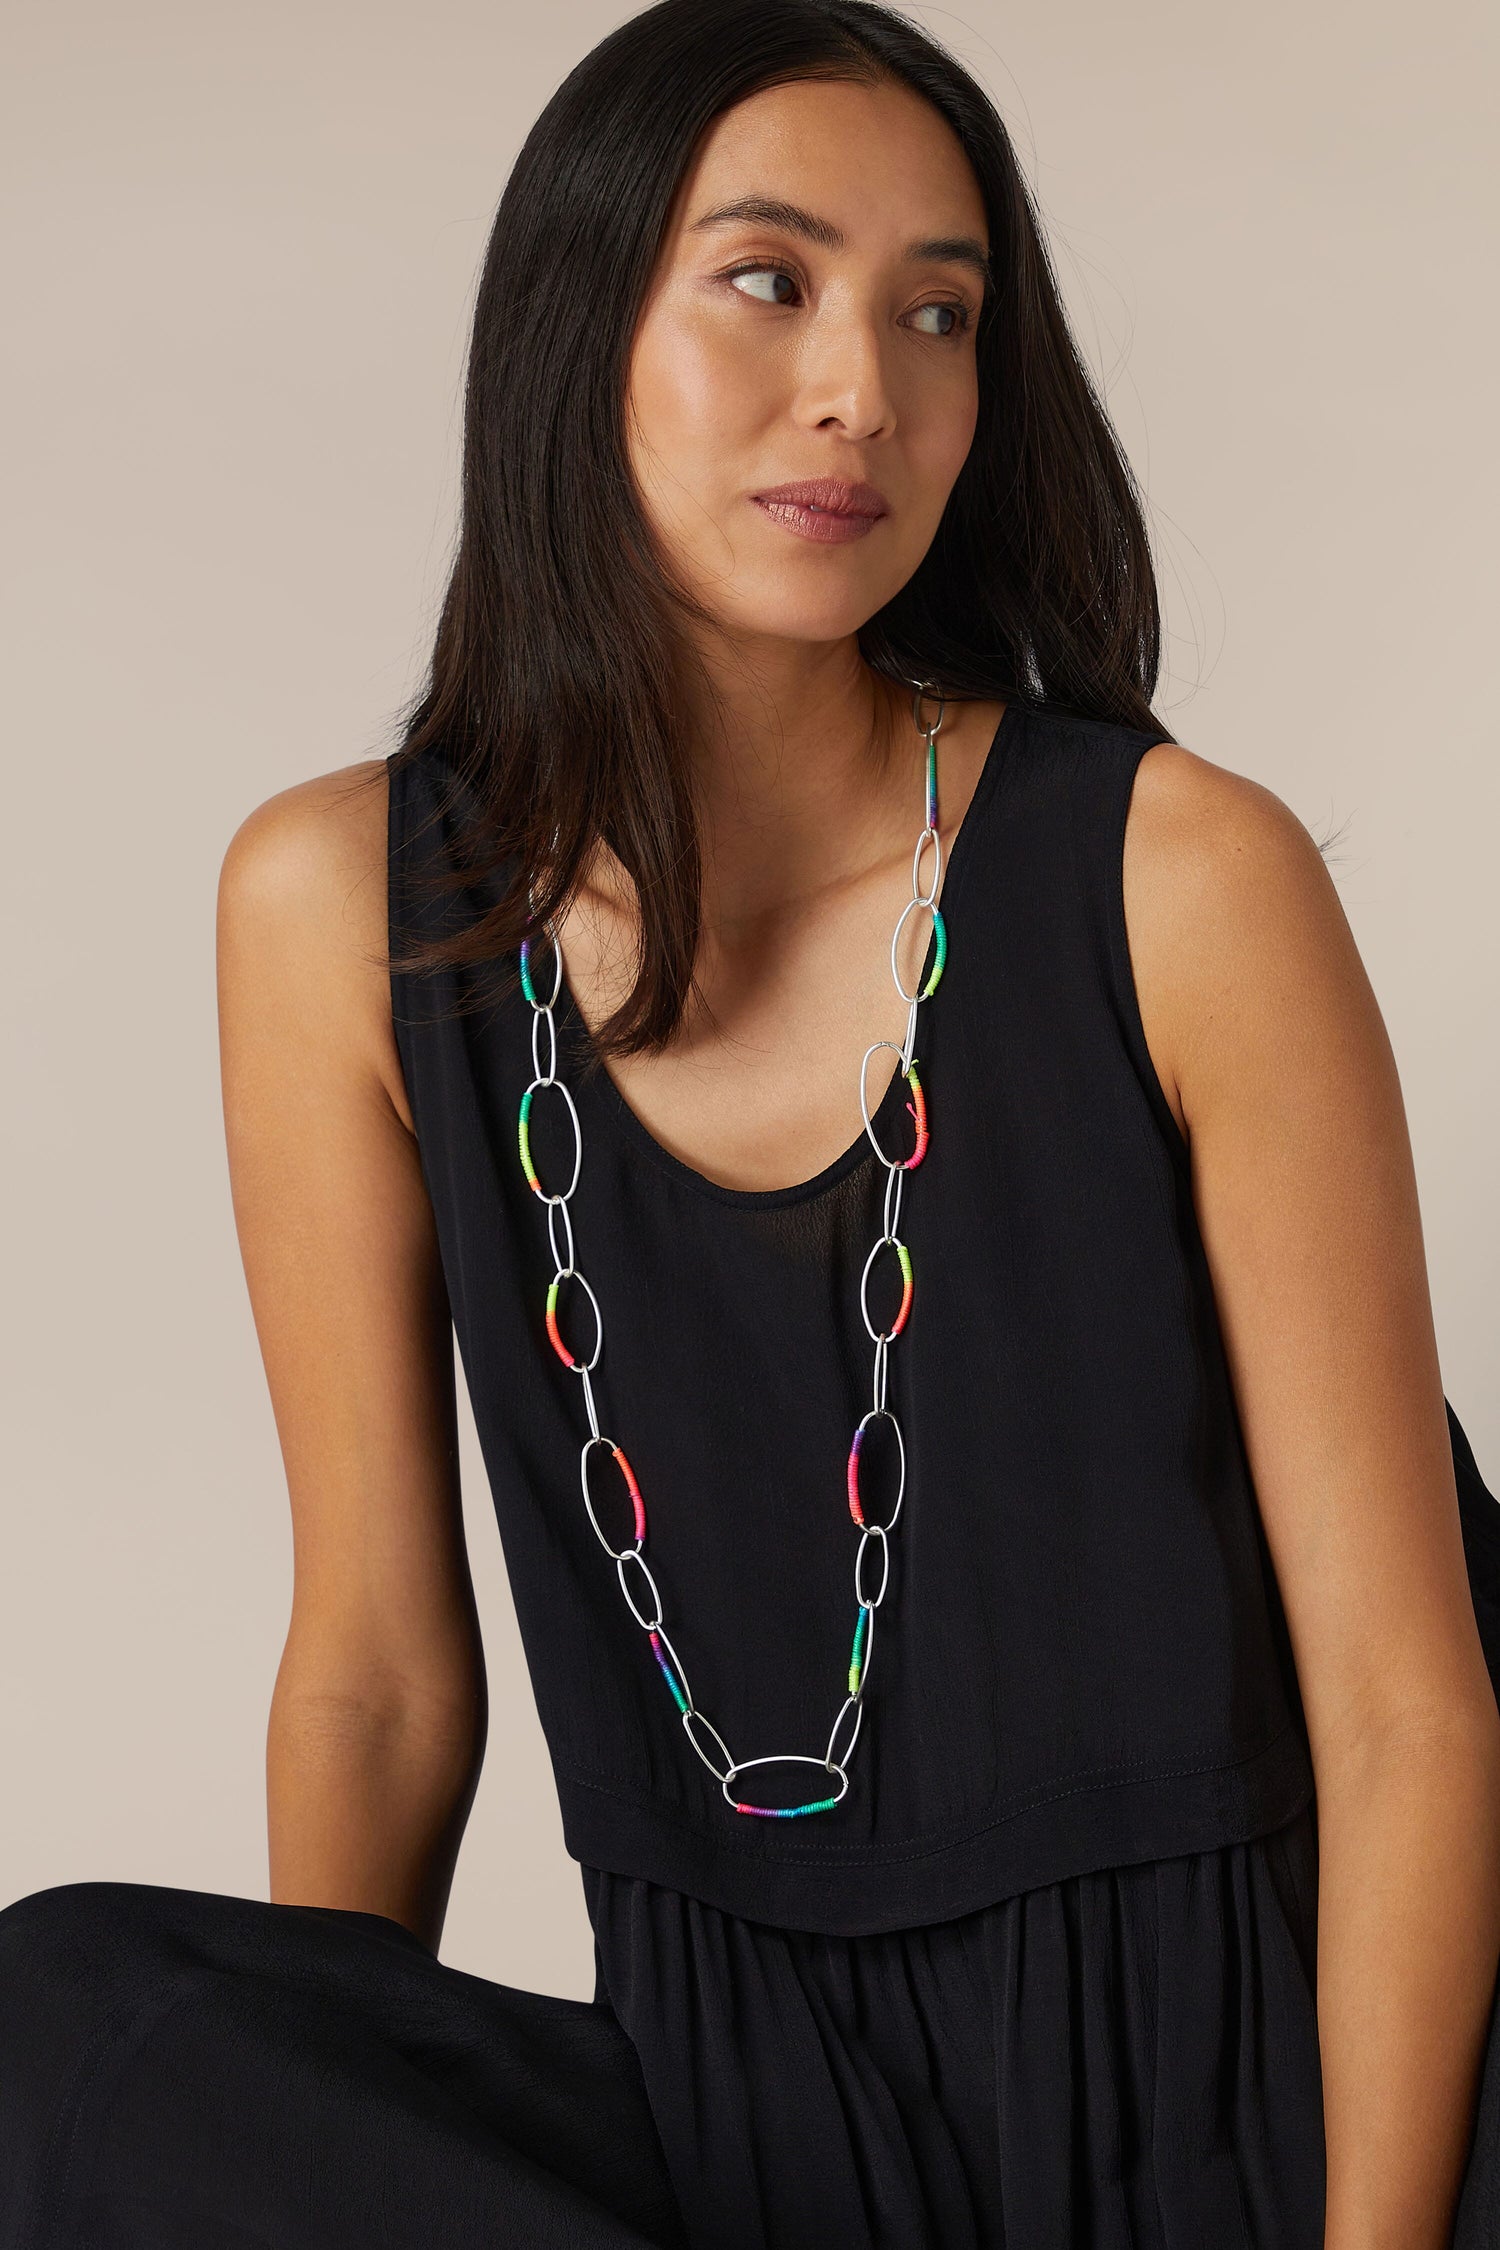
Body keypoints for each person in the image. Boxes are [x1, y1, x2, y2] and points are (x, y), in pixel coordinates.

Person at [4, 1, 1500, 2243]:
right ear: (575, 321)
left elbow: (1407, 1712)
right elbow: (386, 1675)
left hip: (1268, 2082)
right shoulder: (338, 914)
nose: (859, 391)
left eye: (939, 312)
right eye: (769, 279)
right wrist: (335, 2135)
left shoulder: (1180, 878)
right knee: (70, 2026)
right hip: (753, 2121)